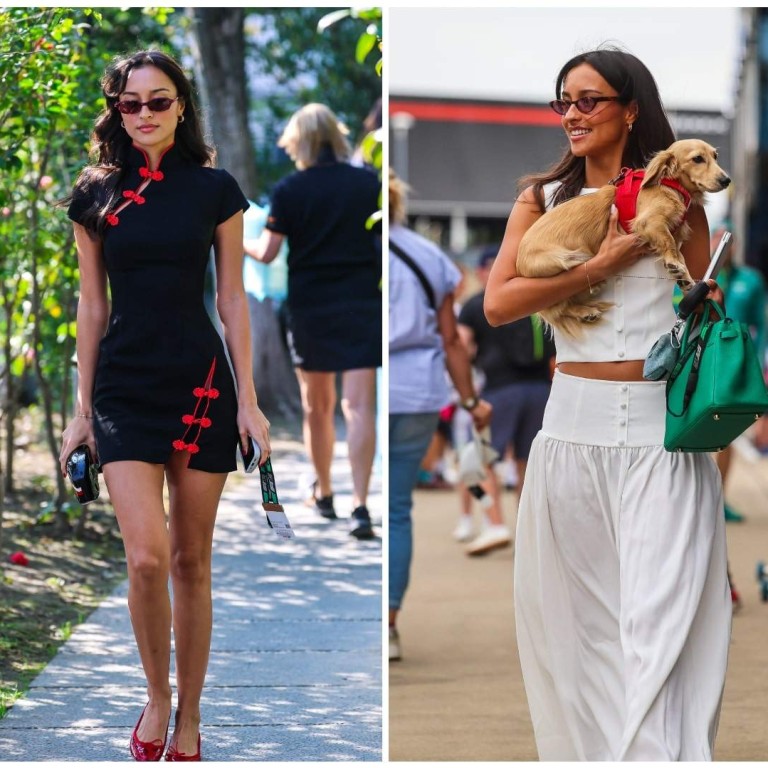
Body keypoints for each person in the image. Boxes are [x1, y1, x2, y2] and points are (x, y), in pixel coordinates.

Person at [484, 47, 731, 760]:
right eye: (564, 100)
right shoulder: (542, 201)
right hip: (571, 433)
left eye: (589, 100)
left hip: (663, 437)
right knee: (579, 634)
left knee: (665, 626)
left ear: (631, 109)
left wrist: (704, 304)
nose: (572, 114)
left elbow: (695, 323)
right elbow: (498, 304)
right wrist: (600, 266)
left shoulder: (683, 202)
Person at [59, 50, 271, 762]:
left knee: (190, 562)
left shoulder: (215, 189)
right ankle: (156, 695)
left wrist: (250, 402)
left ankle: (190, 716)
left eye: (159, 100)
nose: (145, 113)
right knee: (146, 558)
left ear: (182, 104)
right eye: (131, 103)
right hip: (124, 383)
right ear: (115, 111)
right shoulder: (94, 194)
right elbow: (91, 305)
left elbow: (233, 298)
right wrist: (81, 409)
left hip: (201, 383)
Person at [244, 103, 380, 540]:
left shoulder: (289, 191)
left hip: (310, 306)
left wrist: (238, 242)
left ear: (297, 142)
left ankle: (324, 493)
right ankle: (361, 505)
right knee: (358, 407)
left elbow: (266, 253)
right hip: (361, 302)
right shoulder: (368, 184)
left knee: (316, 407)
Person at [389, 169, 492, 661]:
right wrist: (471, 402)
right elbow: (451, 340)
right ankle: (389, 624)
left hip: (372, 385)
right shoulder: (430, 255)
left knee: (373, 506)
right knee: (397, 509)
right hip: (419, 391)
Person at [457, 244, 555, 555]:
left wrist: (468, 394)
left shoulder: (477, 304)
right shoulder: (535, 299)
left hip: (498, 392)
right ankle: (530, 533)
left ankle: (495, 524)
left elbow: (461, 347)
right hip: (540, 390)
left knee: (480, 461)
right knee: (529, 464)